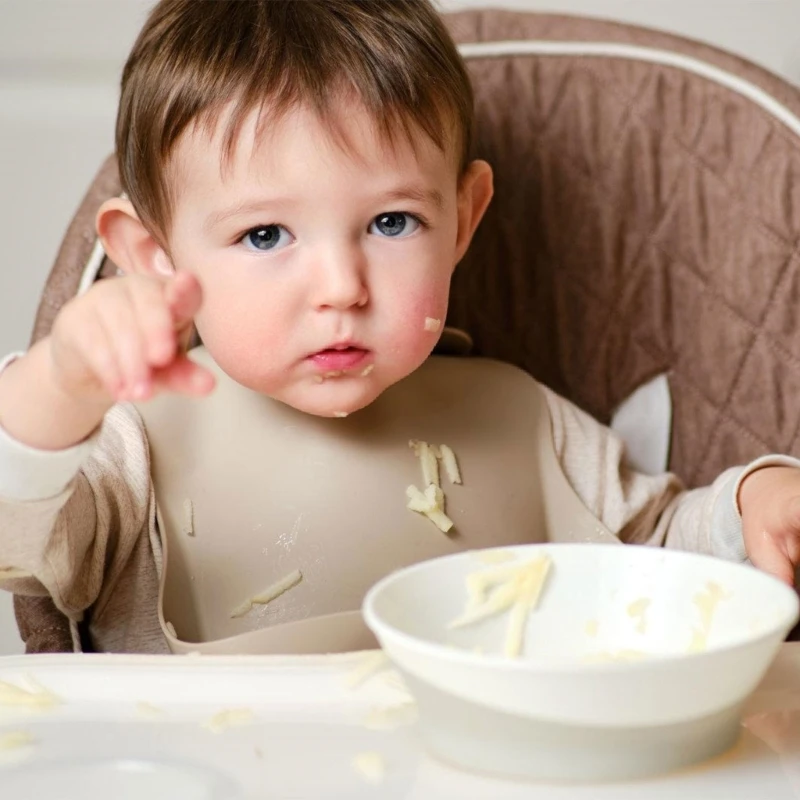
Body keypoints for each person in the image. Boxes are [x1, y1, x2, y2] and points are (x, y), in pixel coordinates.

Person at [0, 0, 798, 655]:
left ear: (462, 220)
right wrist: (56, 384)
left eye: (391, 222)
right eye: (265, 235)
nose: (341, 288)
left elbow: (656, 557)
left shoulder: (522, 421)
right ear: (153, 256)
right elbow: (16, 539)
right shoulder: (130, 451)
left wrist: (749, 505)